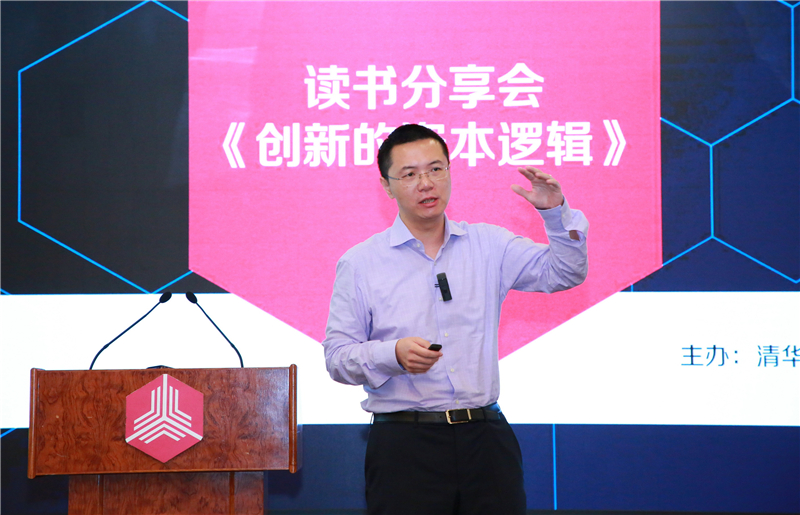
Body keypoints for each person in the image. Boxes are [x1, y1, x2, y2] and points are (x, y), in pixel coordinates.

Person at [322, 124, 588, 515]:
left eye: (435, 169)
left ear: (449, 171)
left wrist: (554, 213)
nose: (426, 183)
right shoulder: (361, 263)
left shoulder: (489, 245)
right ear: (387, 186)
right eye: (409, 174)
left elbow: (565, 273)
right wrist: (392, 354)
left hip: (486, 440)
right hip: (404, 447)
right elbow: (337, 357)